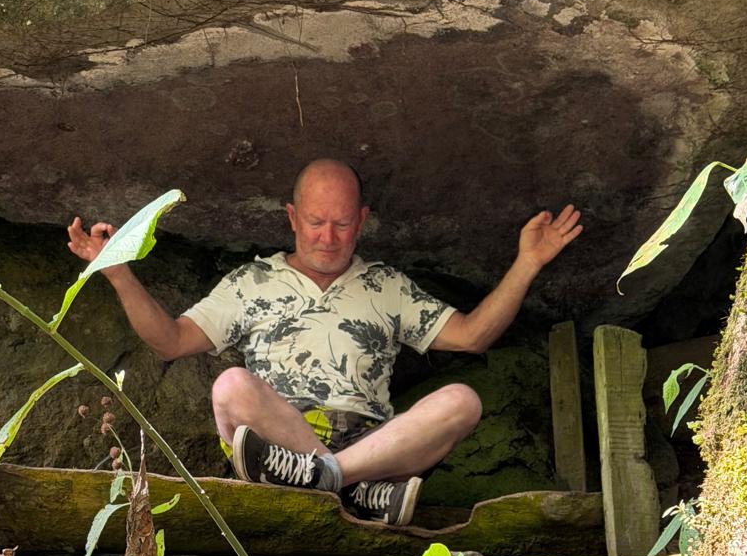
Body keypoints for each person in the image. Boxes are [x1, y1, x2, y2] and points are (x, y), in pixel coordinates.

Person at [66, 159, 582, 524]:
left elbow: (472, 337)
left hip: (373, 447)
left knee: (462, 401)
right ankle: (355, 493)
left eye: (341, 224)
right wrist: (118, 273)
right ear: (292, 217)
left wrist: (528, 262)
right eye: (315, 222)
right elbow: (171, 342)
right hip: (276, 447)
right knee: (230, 387)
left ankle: (331, 477)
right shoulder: (252, 282)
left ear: (362, 221)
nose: (327, 237)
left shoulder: (386, 285)